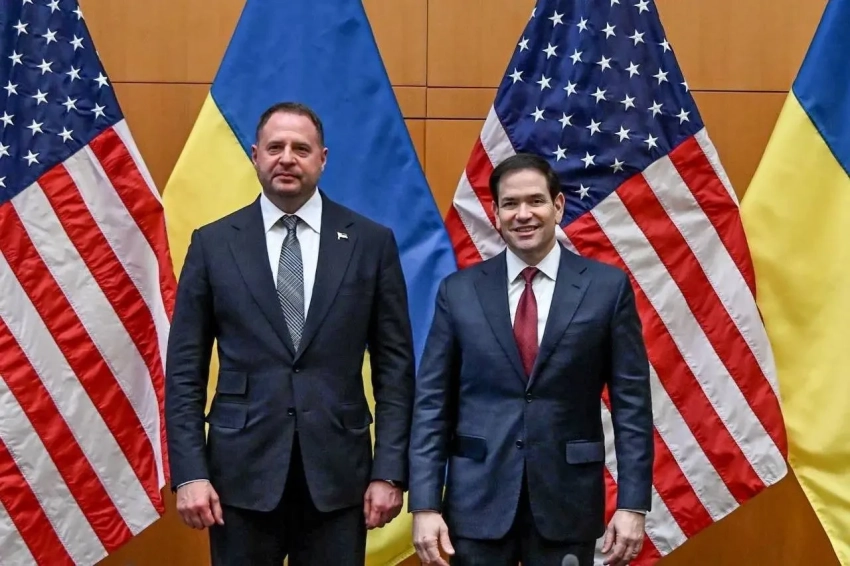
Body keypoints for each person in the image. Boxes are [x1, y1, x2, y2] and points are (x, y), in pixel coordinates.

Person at [164, 101, 415, 566]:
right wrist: (190, 473)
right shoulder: (213, 244)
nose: (287, 158)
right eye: (275, 147)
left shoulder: (370, 243)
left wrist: (390, 472)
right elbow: (183, 372)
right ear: (255, 155)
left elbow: (396, 371)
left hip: (339, 479)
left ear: (323, 158)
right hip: (238, 479)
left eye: (301, 148)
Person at [408, 153, 654, 566]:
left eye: (535, 201)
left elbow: (633, 405)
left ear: (557, 206)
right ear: (495, 214)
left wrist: (632, 504)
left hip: (567, 502)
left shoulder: (606, 289)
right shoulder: (459, 292)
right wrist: (425, 504)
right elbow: (432, 404)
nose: (523, 214)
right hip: (477, 504)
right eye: (510, 204)